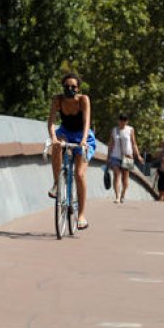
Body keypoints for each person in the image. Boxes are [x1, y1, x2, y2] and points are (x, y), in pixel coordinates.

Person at [47, 73, 96, 230]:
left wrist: (83, 141)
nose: (69, 89)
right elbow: (51, 123)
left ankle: (81, 215)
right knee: (55, 147)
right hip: (65, 132)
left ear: (78, 88)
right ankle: (57, 184)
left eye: (73, 87)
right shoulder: (58, 100)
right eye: (66, 86)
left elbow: (87, 123)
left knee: (80, 174)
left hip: (83, 135)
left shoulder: (83, 100)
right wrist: (54, 138)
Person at [107, 114, 143, 203]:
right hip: (115, 156)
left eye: (125, 121)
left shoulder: (130, 130)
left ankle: (123, 194)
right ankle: (117, 197)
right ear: (118, 121)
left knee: (125, 178)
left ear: (127, 121)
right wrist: (108, 156)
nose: (122, 122)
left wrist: (138, 155)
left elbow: (134, 143)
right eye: (121, 120)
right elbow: (111, 144)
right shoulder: (114, 130)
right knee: (116, 175)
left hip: (128, 156)